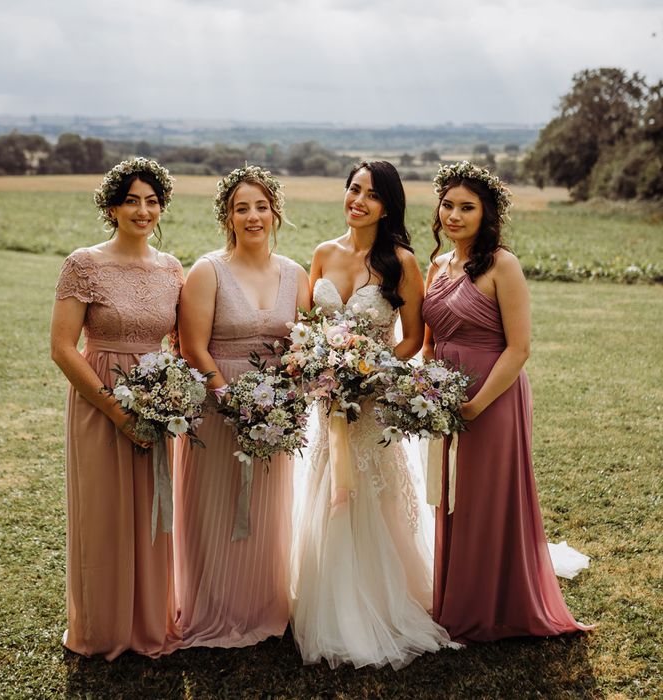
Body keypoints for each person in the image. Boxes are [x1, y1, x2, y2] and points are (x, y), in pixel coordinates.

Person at [291, 160, 458, 669]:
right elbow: (307, 324)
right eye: (353, 189)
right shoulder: (322, 253)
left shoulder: (400, 262)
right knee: (328, 480)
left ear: (388, 205)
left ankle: (377, 602)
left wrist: (370, 372)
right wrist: (320, 365)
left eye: (371, 194)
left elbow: (413, 337)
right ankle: (325, 594)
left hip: (371, 399)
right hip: (327, 395)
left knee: (367, 489)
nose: (357, 200)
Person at [422, 160, 592, 642]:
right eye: (448, 205)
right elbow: (430, 341)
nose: (454, 215)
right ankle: (455, 598)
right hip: (443, 396)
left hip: (493, 397)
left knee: (487, 496)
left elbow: (519, 348)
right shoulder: (437, 264)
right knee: (451, 496)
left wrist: (476, 404)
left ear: (486, 213)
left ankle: (495, 605)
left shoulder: (502, 263)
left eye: (467, 207)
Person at [51, 157, 183, 660]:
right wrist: (116, 412)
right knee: (103, 513)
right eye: (132, 200)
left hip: (156, 401)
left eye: (152, 201)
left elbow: (180, 345)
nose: (143, 210)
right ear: (112, 206)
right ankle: (102, 628)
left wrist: (172, 400)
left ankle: (149, 622)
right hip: (98, 399)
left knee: (153, 512)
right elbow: (63, 348)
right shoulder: (83, 263)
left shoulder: (172, 268)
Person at [174, 165, 311, 647]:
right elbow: (193, 346)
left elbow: (303, 345)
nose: (253, 216)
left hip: (276, 409)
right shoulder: (208, 270)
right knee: (211, 501)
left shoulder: (296, 274)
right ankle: (211, 605)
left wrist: (280, 400)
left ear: (275, 212)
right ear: (227, 217)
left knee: (267, 506)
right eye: (241, 208)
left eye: (261, 207)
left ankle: (262, 604)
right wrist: (227, 399)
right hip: (216, 405)